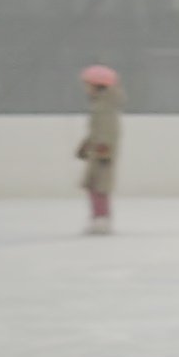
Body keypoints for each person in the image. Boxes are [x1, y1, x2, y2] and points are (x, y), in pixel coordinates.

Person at [76, 64, 123, 233]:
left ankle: (101, 219)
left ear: (98, 85)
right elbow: (96, 130)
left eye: (88, 85)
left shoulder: (105, 107)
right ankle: (99, 217)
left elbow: (108, 129)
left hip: (102, 153)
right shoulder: (100, 105)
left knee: (99, 187)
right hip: (97, 151)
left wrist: (104, 148)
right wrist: (87, 144)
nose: (86, 89)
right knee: (95, 186)